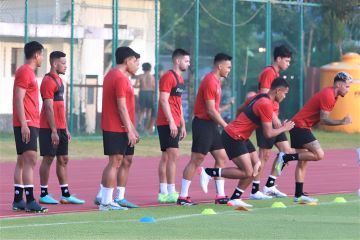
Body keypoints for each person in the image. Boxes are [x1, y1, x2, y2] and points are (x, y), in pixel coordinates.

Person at [199, 77, 294, 207]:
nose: (285, 96)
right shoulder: (266, 105)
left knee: (257, 166)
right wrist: (284, 128)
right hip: (233, 136)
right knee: (247, 172)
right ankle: (209, 172)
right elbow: (268, 133)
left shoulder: (259, 96)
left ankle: (236, 198)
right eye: (285, 93)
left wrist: (240, 124)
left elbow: (240, 108)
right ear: (278, 91)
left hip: (241, 135)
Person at [274, 72, 353, 203]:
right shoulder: (328, 95)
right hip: (300, 126)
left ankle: (298, 195)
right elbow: (324, 120)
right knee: (319, 154)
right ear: (339, 84)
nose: (348, 89)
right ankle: (286, 157)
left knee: (303, 162)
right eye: (347, 86)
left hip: (301, 126)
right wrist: (342, 122)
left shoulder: (333, 95)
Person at [177, 53, 232, 206]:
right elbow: (210, 111)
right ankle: (182, 197)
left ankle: (220, 195)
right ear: (219, 66)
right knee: (196, 160)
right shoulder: (210, 81)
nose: (229, 70)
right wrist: (226, 126)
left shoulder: (216, 82)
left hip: (211, 125)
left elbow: (214, 111)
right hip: (203, 124)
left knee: (222, 158)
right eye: (228, 67)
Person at [38, 51, 85, 205]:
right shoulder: (47, 81)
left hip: (60, 128)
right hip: (48, 128)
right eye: (63, 63)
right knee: (48, 158)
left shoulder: (60, 81)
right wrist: (53, 131)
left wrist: (65, 129)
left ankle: (65, 194)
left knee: (63, 159)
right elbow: (49, 108)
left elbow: (60, 107)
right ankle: (43, 194)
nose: (66, 66)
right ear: (54, 64)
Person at [97, 46, 141, 210]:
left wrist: (132, 128)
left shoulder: (116, 76)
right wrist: (129, 129)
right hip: (115, 127)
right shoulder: (119, 78)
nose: (137, 65)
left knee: (122, 161)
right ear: (127, 60)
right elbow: (121, 107)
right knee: (114, 162)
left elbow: (126, 107)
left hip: (122, 126)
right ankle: (106, 202)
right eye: (135, 62)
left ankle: (109, 198)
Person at [250, 45, 293, 200]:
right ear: (278, 59)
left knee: (286, 152)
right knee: (264, 154)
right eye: (287, 61)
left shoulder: (276, 74)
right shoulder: (269, 72)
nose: (288, 64)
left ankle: (269, 185)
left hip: (275, 119)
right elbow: (263, 96)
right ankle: (255, 190)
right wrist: (275, 120)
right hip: (267, 119)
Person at [12, 41, 48, 212]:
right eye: (42, 55)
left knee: (22, 160)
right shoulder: (26, 72)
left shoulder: (28, 72)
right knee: (31, 159)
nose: (42, 58)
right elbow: (18, 99)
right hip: (27, 123)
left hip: (30, 121)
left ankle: (18, 199)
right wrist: (25, 123)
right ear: (36, 55)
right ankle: (30, 200)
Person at [157, 49, 190, 203]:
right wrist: (171, 121)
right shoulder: (167, 77)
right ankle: (170, 191)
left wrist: (182, 123)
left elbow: (178, 103)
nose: (188, 64)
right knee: (173, 155)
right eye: (186, 61)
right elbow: (163, 100)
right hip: (166, 122)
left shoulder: (181, 80)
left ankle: (163, 192)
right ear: (177, 61)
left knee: (166, 157)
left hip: (175, 122)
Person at [135, 62, 155, 133]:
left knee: (141, 110)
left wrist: (141, 85)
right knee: (149, 110)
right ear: (150, 68)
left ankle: (140, 123)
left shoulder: (140, 76)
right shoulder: (152, 77)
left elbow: (136, 85)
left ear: (143, 68)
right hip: (150, 93)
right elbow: (154, 86)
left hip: (142, 92)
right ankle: (147, 127)